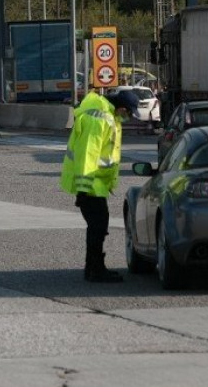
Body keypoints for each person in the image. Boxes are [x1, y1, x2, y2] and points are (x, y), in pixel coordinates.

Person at [60, 88, 138, 283]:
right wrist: (83, 190)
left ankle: (93, 268)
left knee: (98, 226)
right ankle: (95, 269)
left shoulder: (107, 115)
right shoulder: (99, 119)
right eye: (128, 113)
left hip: (96, 185)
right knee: (98, 226)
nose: (127, 117)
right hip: (91, 185)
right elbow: (88, 154)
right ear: (121, 108)